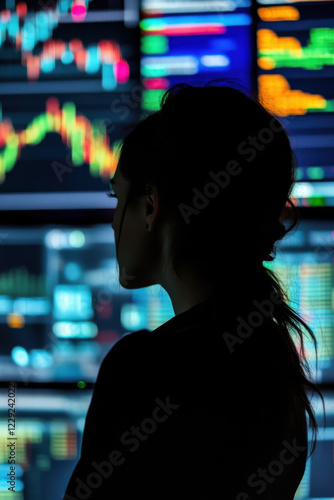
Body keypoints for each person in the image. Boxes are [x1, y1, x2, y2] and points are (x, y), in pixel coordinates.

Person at [63, 80, 326, 499]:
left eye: (118, 198)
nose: (114, 222)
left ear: (150, 206)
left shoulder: (140, 370)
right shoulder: (274, 363)